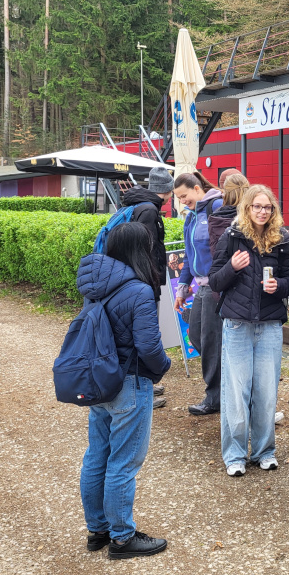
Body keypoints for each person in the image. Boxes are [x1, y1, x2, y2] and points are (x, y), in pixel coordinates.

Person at [77, 222, 172, 560]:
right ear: (139, 250)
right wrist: (163, 367)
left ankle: (97, 530)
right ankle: (122, 538)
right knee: (123, 462)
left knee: (96, 455)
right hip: (129, 383)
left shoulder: (95, 285)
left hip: (98, 382)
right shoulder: (139, 291)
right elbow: (149, 347)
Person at [209, 185, 289, 477]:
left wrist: (279, 286)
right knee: (236, 392)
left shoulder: (282, 241)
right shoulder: (232, 237)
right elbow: (214, 282)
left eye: (268, 207)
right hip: (237, 324)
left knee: (266, 392)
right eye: (257, 206)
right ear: (247, 208)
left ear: (273, 210)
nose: (262, 212)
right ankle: (234, 455)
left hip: (270, 324)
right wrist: (232, 267)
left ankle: (264, 451)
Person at [121, 167, 174, 409]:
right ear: (167, 191)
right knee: (144, 335)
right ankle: (143, 388)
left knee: (137, 334)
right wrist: (151, 284)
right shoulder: (150, 211)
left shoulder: (137, 206)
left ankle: (145, 384)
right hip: (145, 283)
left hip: (135, 281)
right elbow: (148, 251)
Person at [173, 172, 224, 417]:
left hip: (217, 285)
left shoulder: (216, 207)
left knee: (211, 341)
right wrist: (182, 288)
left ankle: (215, 396)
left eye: (184, 195)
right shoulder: (190, 218)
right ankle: (224, 384)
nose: (182, 201)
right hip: (200, 286)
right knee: (196, 336)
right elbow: (189, 255)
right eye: (178, 198)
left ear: (196, 188)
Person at [207, 173, 249, 258]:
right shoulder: (253, 215)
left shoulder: (215, 218)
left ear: (225, 193)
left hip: (224, 268)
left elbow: (215, 251)